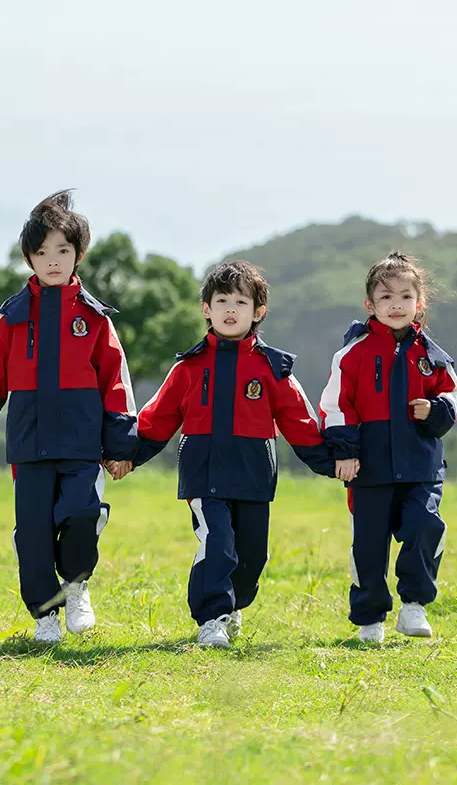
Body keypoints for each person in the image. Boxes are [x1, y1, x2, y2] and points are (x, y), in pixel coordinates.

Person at [112, 261, 335, 648]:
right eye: (222, 301)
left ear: (257, 312)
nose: (231, 310)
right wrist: (128, 454)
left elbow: (300, 422)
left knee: (251, 557)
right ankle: (211, 618)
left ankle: (233, 607)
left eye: (240, 302)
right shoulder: (188, 366)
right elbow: (157, 418)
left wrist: (334, 462)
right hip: (205, 474)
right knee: (217, 543)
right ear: (206, 309)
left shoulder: (274, 368)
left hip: (254, 475)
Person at [0, 191, 137, 644]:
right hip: (29, 446)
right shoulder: (11, 319)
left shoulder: (96, 320)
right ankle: (44, 615)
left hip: (82, 445)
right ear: (28, 259)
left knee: (82, 511)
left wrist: (119, 446)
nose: (52, 261)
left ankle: (76, 585)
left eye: (62, 251)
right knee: (33, 535)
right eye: (42, 253)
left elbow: (116, 383)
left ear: (78, 255)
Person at [320, 251, 457, 643]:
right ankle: (370, 619)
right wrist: (345, 451)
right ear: (370, 305)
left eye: (404, 296)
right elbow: (333, 406)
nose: (395, 304)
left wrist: (435, 410)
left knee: (425, 526)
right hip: (370, 469)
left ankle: (414, 606)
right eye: (385, 297)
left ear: (419, 302)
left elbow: (454, 397)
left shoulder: (433, 356)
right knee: (368, 544)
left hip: (421, 467)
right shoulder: (353, 354)